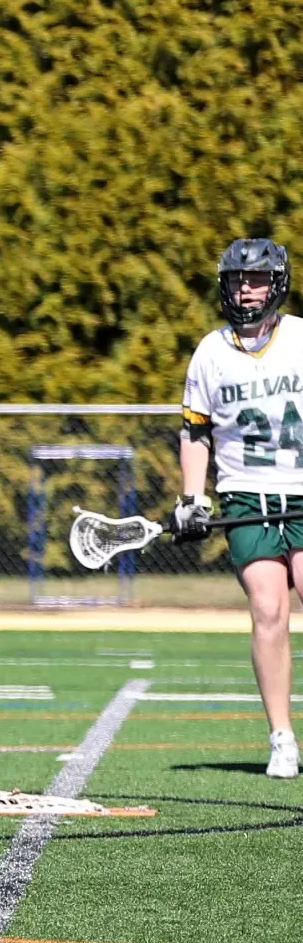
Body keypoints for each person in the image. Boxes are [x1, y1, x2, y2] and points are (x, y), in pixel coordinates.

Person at [175, 237, 303, 779]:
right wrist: (191, 497)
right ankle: (282, 738)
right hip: (247, 495)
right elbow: (196, 431)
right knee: (269, 608)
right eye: (235, 280)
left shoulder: (300, 338)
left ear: (277, 283)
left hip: (301, 489)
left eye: (254, 279)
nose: (245, 288)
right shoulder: (210, 351)